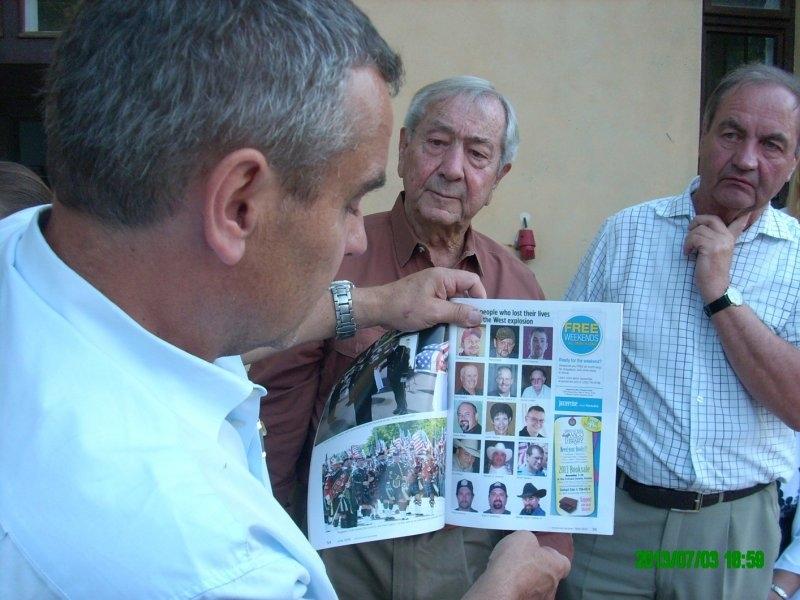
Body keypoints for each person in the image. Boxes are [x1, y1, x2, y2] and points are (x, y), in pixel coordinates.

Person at [0, 3, 573, 598]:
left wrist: (377, 305)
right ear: (238, 205)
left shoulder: (22, 247)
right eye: (350, 202)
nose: (357, 236)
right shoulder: (220, 567)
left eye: (477, 153)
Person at [249, 75, 572, 598]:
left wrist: (548, 553)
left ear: (499, 175)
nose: (452, 168)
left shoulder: (518, 286)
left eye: (477, 154)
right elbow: (278, 417)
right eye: (437, 142)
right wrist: (271, 540)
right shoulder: (338, 252)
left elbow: (542, 434)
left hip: (469, 554)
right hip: (347, 546)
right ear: (403, 148)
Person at [560, 63, 800, 600]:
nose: (746, 159)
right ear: (702, 136)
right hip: (614, 522)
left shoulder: (797, 258)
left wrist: (720, 293)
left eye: (772, 144)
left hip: (731, 532)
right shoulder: (626, 234)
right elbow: (564, 368)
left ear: (793, 163)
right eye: (731, 134)